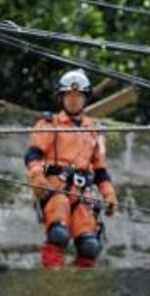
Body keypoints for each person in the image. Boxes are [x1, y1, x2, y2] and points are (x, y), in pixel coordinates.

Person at [24, 69, 117, 269]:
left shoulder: (93, 131)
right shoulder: (50, 123)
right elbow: (34, 154)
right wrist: (37, 175)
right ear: (62, 98)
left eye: (78, 96)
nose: (74, 100)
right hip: (56, 189)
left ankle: (80, 285)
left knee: (90, 245)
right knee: (59, 234)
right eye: (69, 95)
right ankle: (52, 276)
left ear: (85, 99)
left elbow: (100, 171)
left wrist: (109, 194)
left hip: (83, 193)